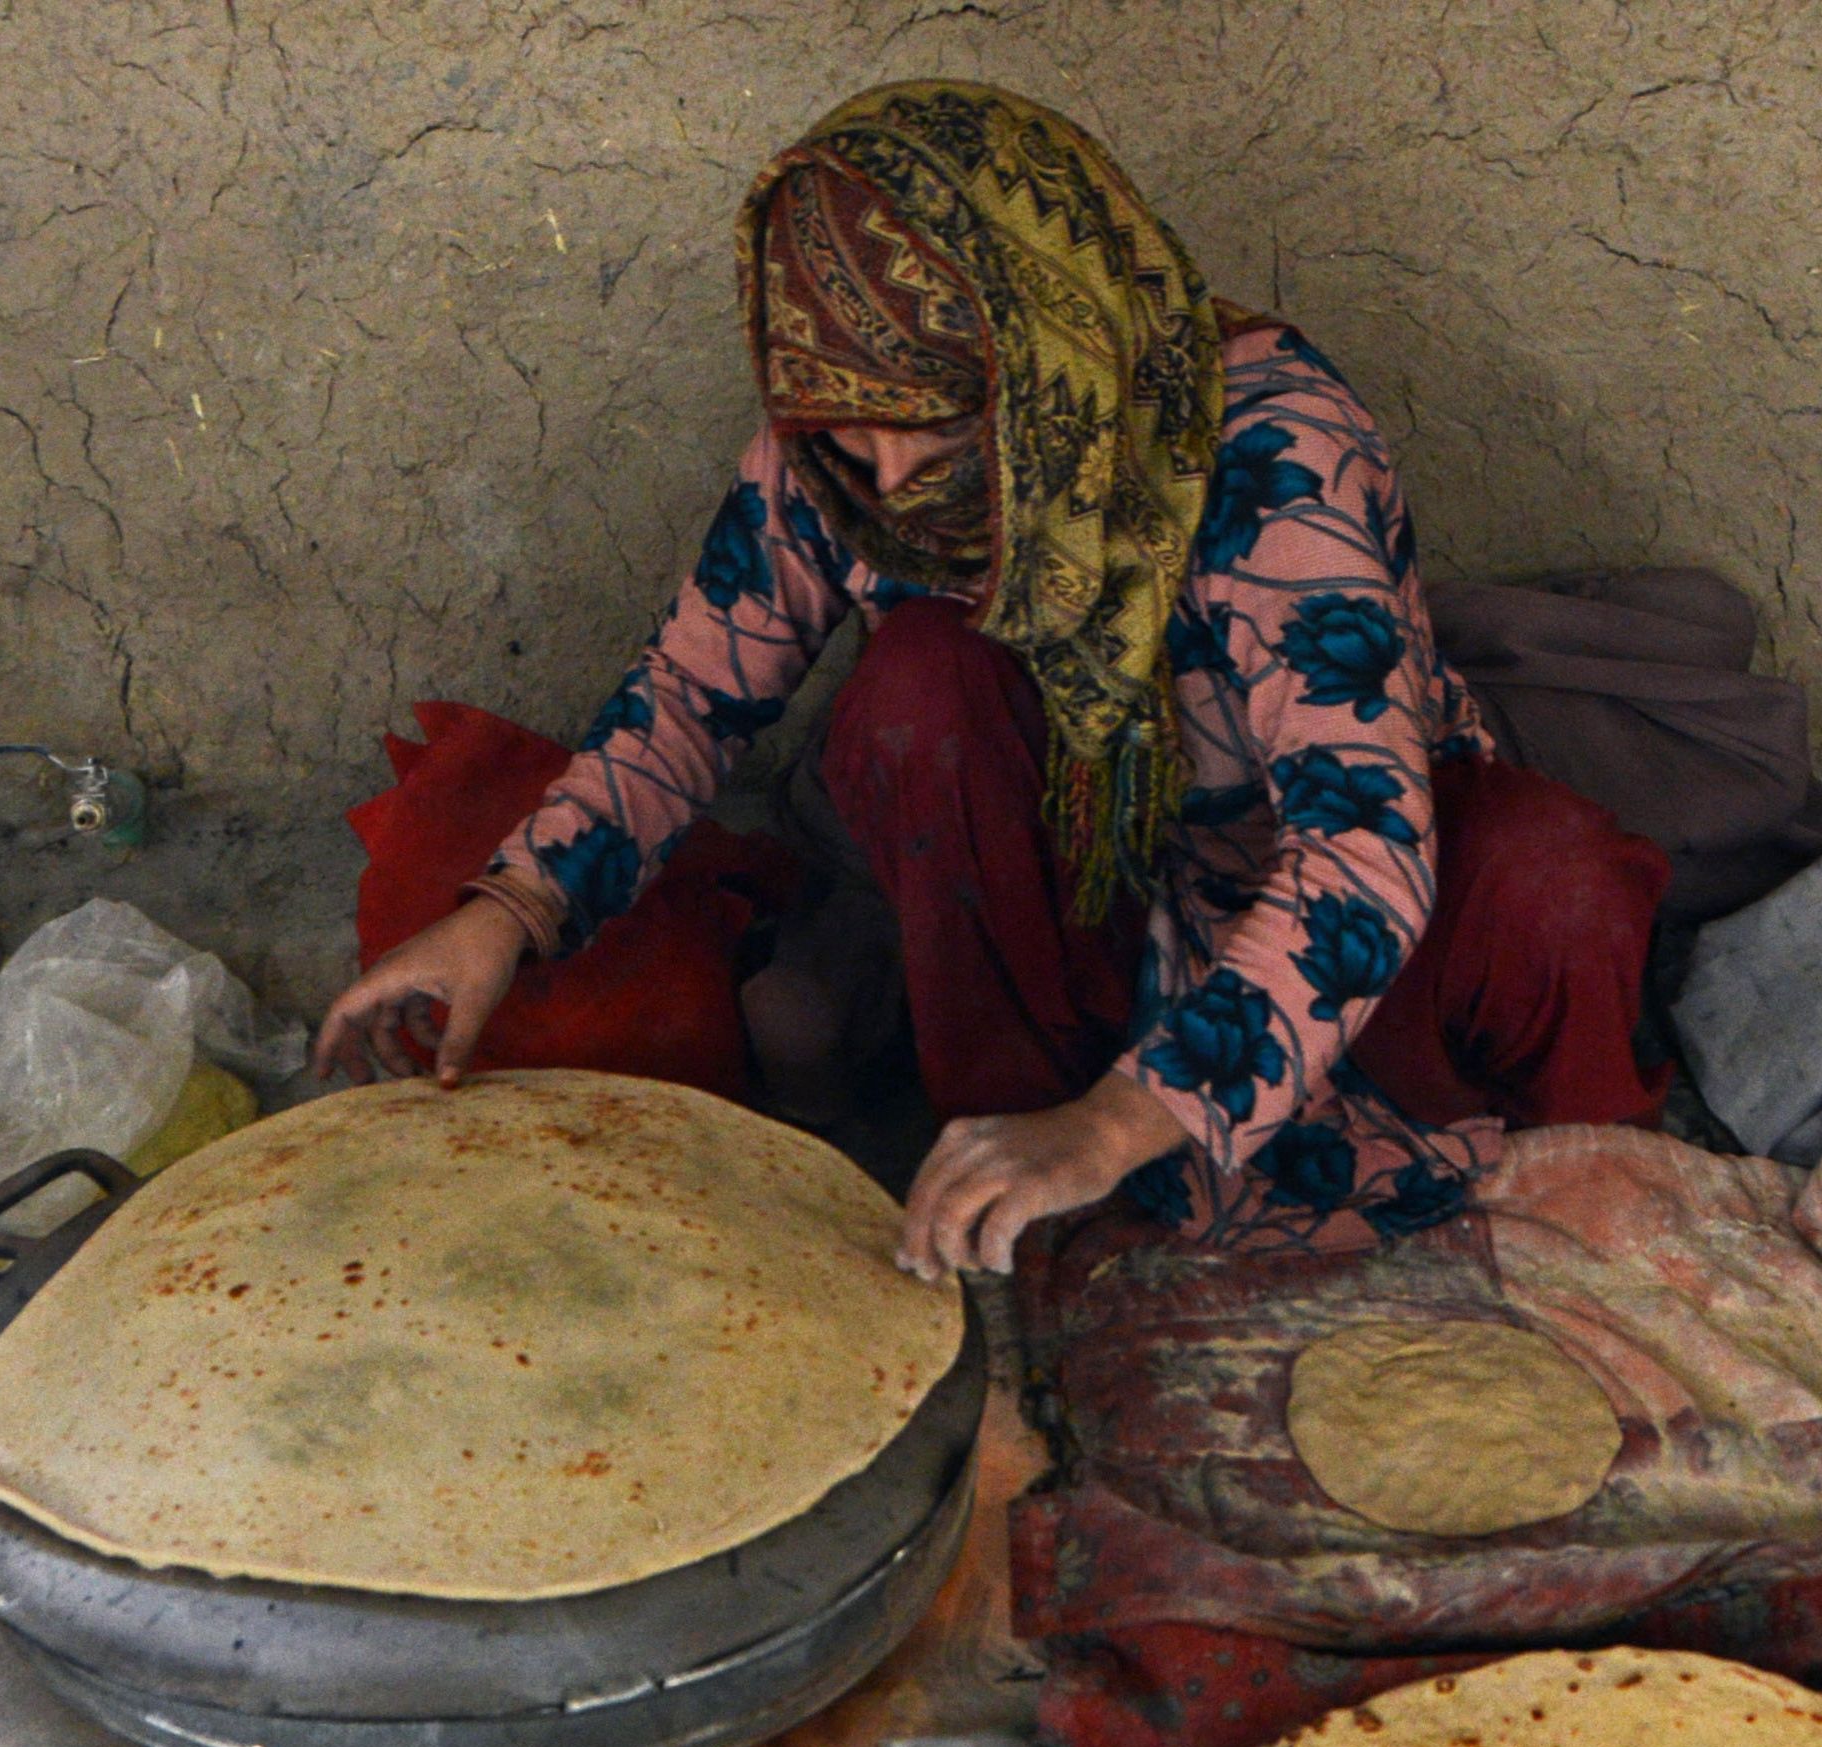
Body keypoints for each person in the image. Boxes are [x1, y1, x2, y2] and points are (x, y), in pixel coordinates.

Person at [315, 82, 1671, 1277]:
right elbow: (684, 699)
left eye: (943, 424)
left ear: (1045, 349)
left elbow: (1364, 852)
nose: (894, 481)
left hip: (1339, 936)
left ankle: (1593, 1218)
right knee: (917, 693)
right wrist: (508, 909)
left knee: (1554, 879)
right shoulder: (826, 467)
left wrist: (1121, 1121)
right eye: (847, 428)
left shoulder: (1272, 452)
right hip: (1070, 925)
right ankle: (1018, 1199)